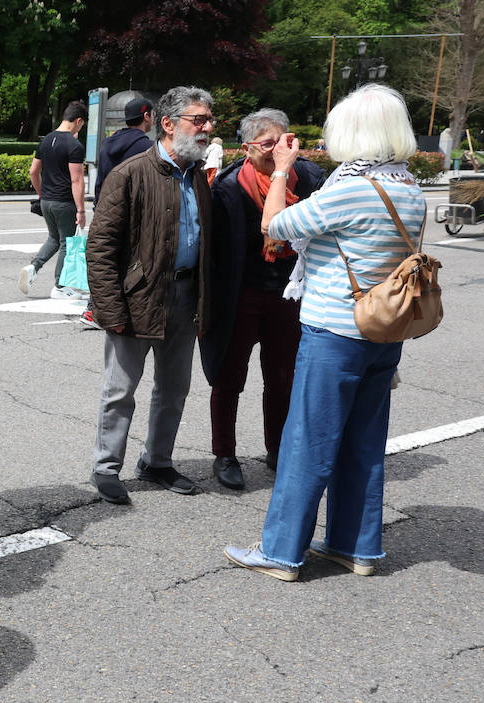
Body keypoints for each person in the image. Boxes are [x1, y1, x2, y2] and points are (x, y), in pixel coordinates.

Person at [225, 85, 427, 581]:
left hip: (335, 329)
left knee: (308, 441)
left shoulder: (351, 188)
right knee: (363, 441)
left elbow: (274, 226)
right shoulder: (410, 188)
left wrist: (278, 172)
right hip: (384, 331)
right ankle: (355, 546)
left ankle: (281, 551)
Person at [86, 86, 215, 505]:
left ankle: (157, 461)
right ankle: (106, 468)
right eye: (199, 120)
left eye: (209, 120)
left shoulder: (197, 175)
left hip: (186, 295)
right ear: (168, 124)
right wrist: (110, 308)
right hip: (137, 298)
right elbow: (101, 247)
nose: (208, 128)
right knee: (120, 390)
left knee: (174, 388)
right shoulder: (131, 173)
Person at [199, 109, 326, 490]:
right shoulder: (227, 187)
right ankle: (224, 454)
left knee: (283, 378)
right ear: (247, 148)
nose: (277, 150)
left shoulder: (308, 178)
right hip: (240, 295)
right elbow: (214, 251)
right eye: (267, 143)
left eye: (284, 141)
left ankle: (278, 449)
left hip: (288, 293)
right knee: (229, 378)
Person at [83, 98, 156, 329]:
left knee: (105, 261)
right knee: (129, 262)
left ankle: (93, 308)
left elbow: (101, 179)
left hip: (105, 209)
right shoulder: (146, 147)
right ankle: (108, 311)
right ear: (147, 116)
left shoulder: (108, 143)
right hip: (132, 213)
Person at [20, 100, 88, 299]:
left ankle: (33, 267)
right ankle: (60, 287)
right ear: (78, 121)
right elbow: (76, 180)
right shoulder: (74, 145)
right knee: (67, 242)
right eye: (82, 124)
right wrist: (81, 210)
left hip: (47, 201)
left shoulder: (46, 139)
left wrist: (42, 194)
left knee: (54, 239)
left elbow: (34, 171)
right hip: (64, 202)